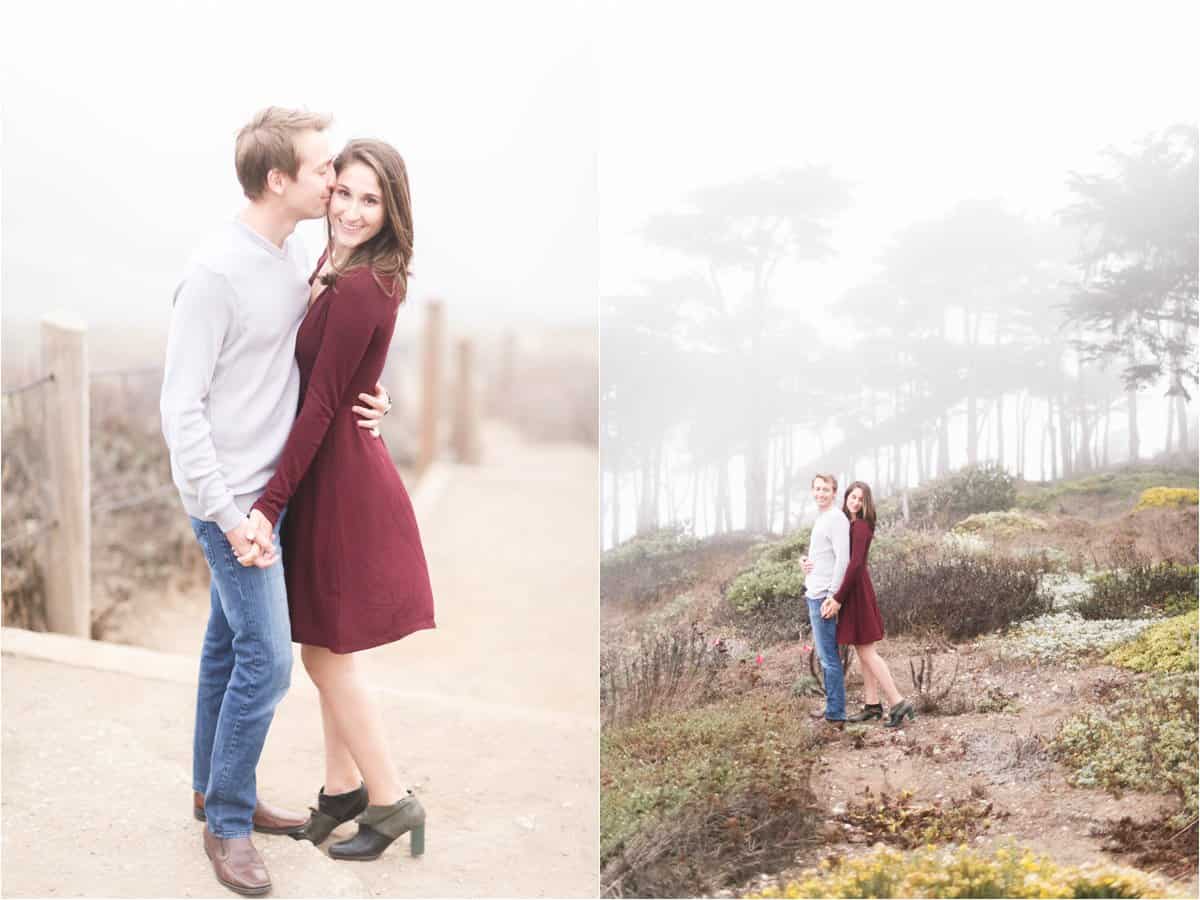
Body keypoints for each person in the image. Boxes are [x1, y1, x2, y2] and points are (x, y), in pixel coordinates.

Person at [160, 107, 392, 897]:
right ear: (278, 180)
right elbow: (179, 409)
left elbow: (310, 359)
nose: (334, 180)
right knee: (267, 663)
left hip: (271, 493)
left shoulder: (292, 252)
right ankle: (226, 824)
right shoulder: (215, 273)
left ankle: (207, 786)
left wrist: (374, 393)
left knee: (228, 648)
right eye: (323, 167)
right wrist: (231, 517)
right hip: (233, 502)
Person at [243, 137, 436, 863]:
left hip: (342, 482)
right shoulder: (337, 266)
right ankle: (340, 791)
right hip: (333, 472)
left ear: (392, 211)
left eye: (370, 200)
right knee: (324, 636)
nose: (352, 211)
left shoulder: (360, 284)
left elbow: (323, 403)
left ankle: (390, 801)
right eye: (344, 192)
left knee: (326, 656)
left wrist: (266, 504)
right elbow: (345, 377)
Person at [827, 481, 914, 728]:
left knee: (867, 651)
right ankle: (872, 705)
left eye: (860, 499)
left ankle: (898, 702)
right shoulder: (850, 524)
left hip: (856, 592)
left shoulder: (861, 526)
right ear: (846, 498)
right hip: (854, 590)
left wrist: (838, 598)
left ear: (866, 504)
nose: (855, 502)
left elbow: (855, 565)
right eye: (852, 497)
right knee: (862, 651)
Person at [799, 473, 850, 730]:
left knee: (829, 656)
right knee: (825, 655)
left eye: (825, 489)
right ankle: (833, 708)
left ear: (834, 491)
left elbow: (843, 559)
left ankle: (836, 713)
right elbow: (824, 555)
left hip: (823, 596)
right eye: (817, 488)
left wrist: (833, 595)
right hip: (815, 590)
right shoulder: (822, 518)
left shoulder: (836, 519)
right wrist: (806, 563)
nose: (820, 493)